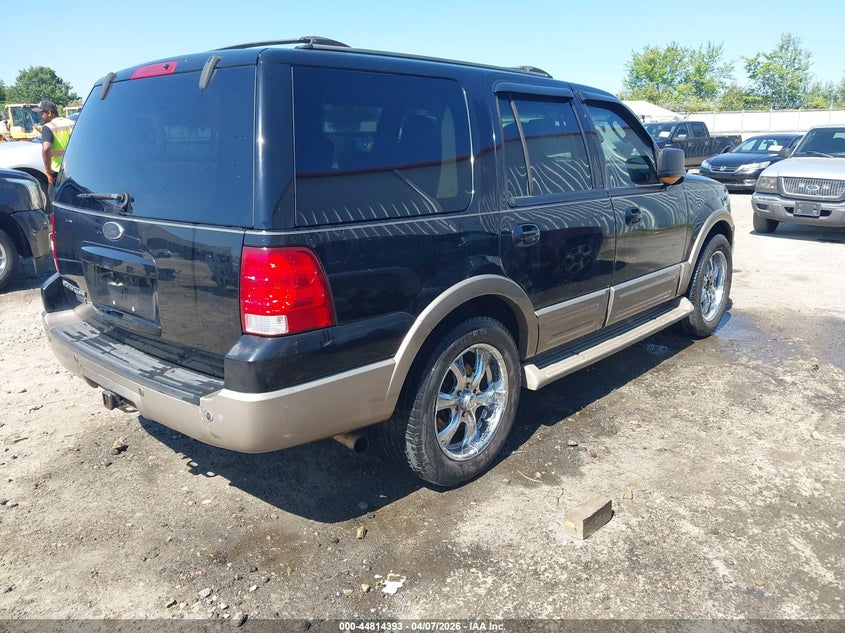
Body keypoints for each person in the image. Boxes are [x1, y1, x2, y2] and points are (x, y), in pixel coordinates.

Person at [33, 99, 75, 187]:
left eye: (42, 113)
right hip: (74, 169)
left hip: (58, 172)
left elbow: (46, 148)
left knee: (56, 199)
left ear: (49, 113)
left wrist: (47, 171)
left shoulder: (48, 127)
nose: (40, 116)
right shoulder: (73, 123)